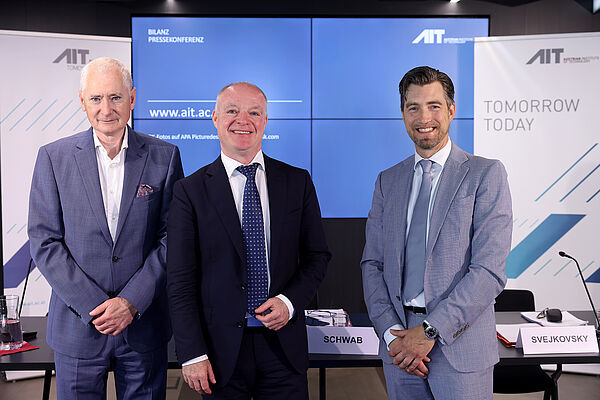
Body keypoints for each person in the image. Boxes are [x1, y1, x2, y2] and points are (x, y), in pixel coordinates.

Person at [28, 57, 184, 399]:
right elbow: (45, 241)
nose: (106, 109)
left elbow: (172, 237)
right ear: (82, 101)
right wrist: (95, 306)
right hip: (78, 328)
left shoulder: (165, 156)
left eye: (115, 97)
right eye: (96, 99)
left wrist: (130, 301)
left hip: (142, 326)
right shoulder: (54, 158)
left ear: (132, 97)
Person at [167, 81, 330, 399]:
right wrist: (192, 353)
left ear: (265, 121)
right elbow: (180, 281)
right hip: (218, 353)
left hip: (283, 347)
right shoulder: (189, 191)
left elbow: (317, 256)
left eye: (254, 112)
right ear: (215, 118)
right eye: (232, 111)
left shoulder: (297, 182)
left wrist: (288, 302)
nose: (243, 120)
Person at [360, 66, 512, 400]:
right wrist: (391, 334)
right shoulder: (388, 181)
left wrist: (429, 330)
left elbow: (488, 272)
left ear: (451, 110)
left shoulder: (485, 175)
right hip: (399, 348)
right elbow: (372, 264)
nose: (423, 117)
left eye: (434, 106)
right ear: (402, 114)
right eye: (413, 107)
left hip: (460, 347)